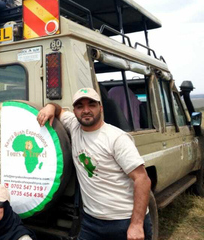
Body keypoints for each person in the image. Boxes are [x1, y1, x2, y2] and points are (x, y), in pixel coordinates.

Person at [37, 88, 152, 240]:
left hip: (122, 220)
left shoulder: (116, 138)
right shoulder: (74, 127)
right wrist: (50, 106)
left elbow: (142, 179)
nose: (86, 110)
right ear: (74, 110)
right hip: (91, 222)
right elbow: (59, 110)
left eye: (91, 105)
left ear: (101, 108)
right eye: (80, 106)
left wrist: (136, 225)